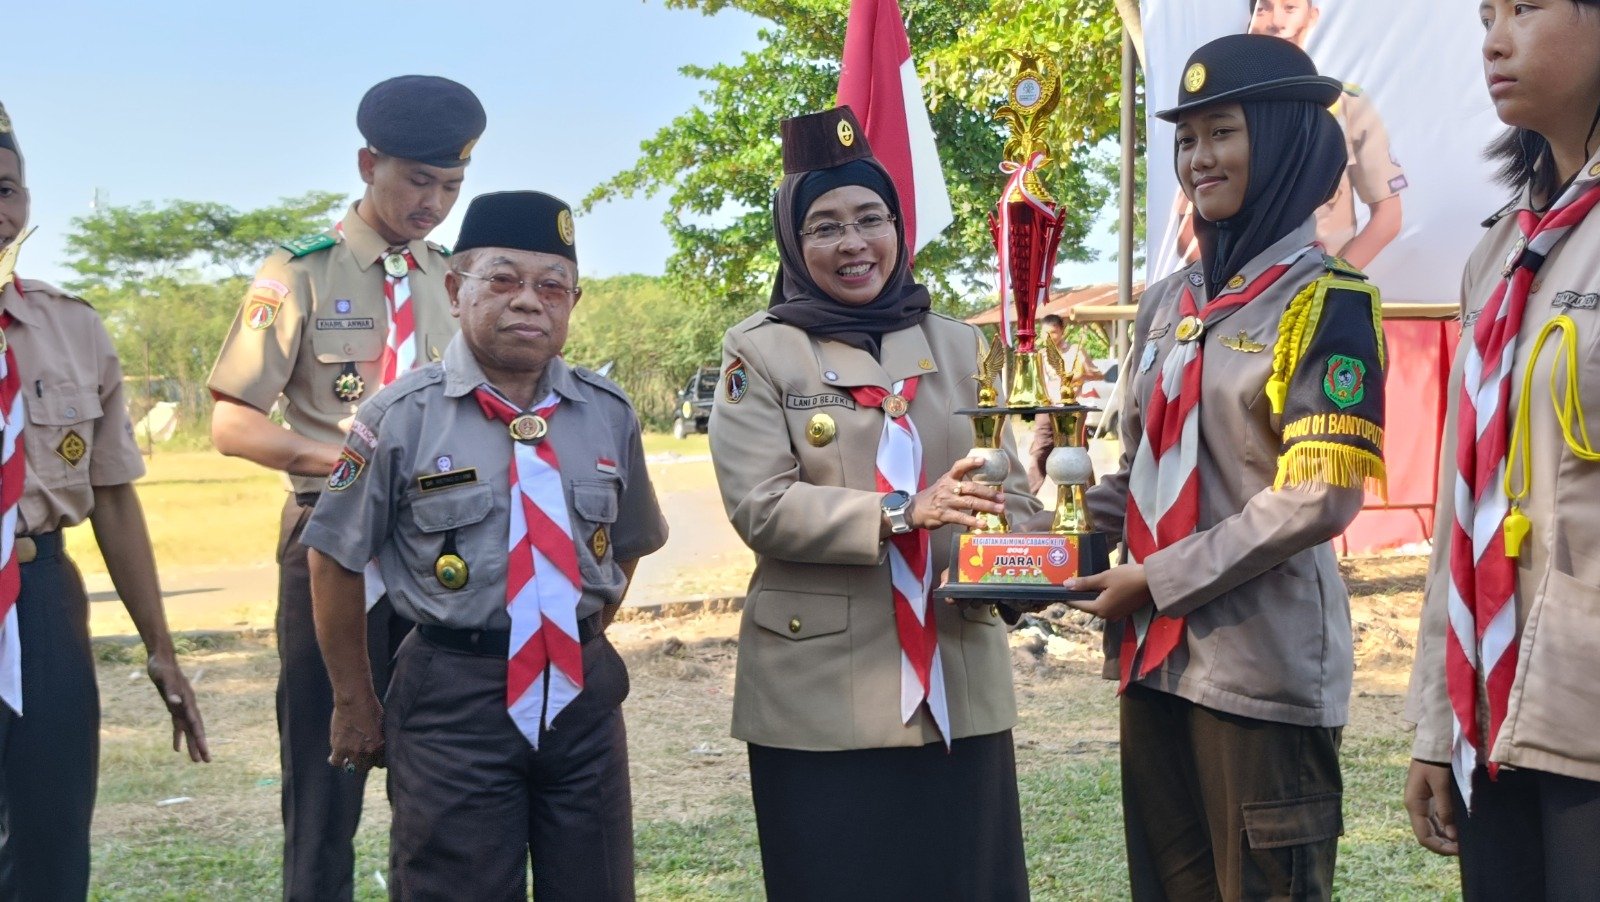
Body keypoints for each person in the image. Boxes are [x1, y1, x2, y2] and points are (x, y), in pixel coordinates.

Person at [1073, 35, 1388, 900]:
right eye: (1186, 140)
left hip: (1259, 674)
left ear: (1283, 140)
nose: (1198, 159)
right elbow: (1147, 467)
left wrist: (1159, 577)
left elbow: (1318, 499)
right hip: (1154, 663)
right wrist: (1050, 529)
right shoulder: (1168, 300)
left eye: (1222, 133)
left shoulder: (1326, 301)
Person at [709, 106, 1041, 902]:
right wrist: (901, 511)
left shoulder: (959, 344)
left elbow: (1007, 487)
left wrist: (1026, 551)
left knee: (966, 884)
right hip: (819, 691)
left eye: (870, 219)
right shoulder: (760, 350)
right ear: (793, 242)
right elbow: (760, 506)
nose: (853, 243)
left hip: (956, 680)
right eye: (825, 227)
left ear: (898, 228)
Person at [304, 190, 667, 900]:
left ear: (573, 303)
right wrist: (353, 701)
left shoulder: (608, 413)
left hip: (582, 695)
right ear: (454, 290)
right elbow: (334, 558)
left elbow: (627, 544)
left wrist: (566, 632)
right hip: (454, 697)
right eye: (502, 280)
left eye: (552, 287)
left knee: (596, 885)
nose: (529, 300)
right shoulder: (398, 417)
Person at [206, 75, 483, 901]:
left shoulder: (454, 278)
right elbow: (233, 423)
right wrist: (354, 465)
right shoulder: (298, 273)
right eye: (418, 181)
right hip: (331, 542)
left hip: (438, 545)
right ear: (368, 164)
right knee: (325, 776)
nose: (433, 204)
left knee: (436, 775)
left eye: (451, 187)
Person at [1403, 2, 1600, 897]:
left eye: (1525, 8)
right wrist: (1435, 725)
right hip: (1495, 714)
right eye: (1486, 15)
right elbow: (1463, 505)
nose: (1494, 40)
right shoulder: (1500, 252)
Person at [0, 100, 209, 900]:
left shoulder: (73, 328)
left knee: (52, 838)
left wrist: (162, 649)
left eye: (7, 188)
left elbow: (114, 498)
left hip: (42, 601)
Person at [1175, 0, 1409, 270]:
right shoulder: (1214, 121)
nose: (1276, 21)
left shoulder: (1349, 104)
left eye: (1289, 7)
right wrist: (1228, 286)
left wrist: (1322, 283)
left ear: (1313, 15)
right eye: (1264, 8)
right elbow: (1188, 229)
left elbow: (1387, 215)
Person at [1027, 312, 1104, 493]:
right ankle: (1026, 498)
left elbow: (1098, 374)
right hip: (1047, 409)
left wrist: (1078, 377)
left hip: (1071, 410)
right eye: (1045, 333)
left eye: (1053, 332)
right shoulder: (1040, 355)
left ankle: (1090, 497)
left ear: (1062, 331)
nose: (1050, 337)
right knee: (1039, 452)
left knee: (1077, 453)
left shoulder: (1075, 351)